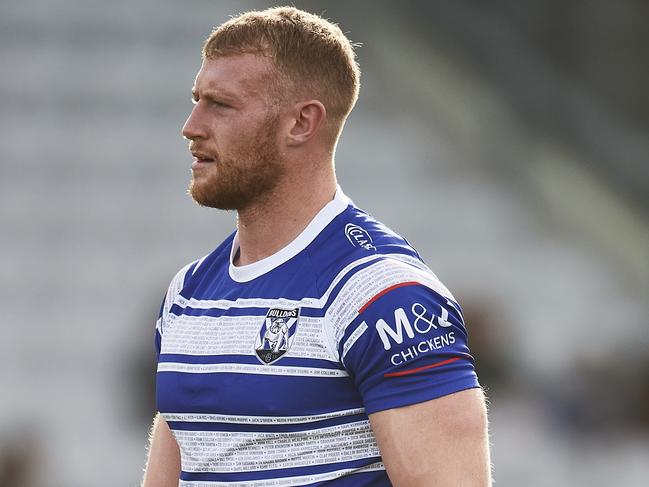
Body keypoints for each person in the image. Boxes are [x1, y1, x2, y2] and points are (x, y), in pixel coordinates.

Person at [142, 6, 491, 487]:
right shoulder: (189, 293)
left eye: (220, 105)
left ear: (302, 123)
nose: (191, 125)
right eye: (196, 99)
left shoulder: (383, 296)